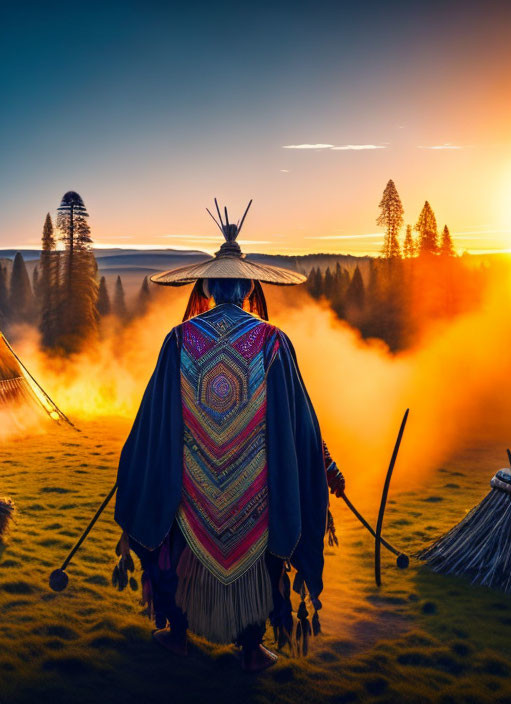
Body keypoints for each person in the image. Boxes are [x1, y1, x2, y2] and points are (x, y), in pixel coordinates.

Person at [113, 202, 345, 672]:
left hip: (189, 482)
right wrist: (326, 466)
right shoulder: (273, 342)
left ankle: (177, 635)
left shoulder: (179, 339)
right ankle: (251, 646)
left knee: (179, 552)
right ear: (246, 289)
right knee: (261, 562)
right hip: (257, 485)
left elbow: (153, 416)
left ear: (209, 288)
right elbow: (301, 421)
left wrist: (140, 461)